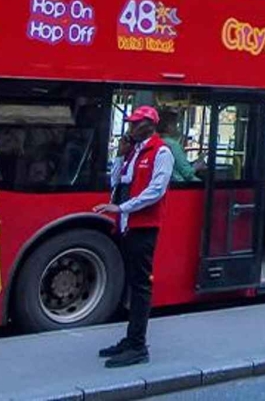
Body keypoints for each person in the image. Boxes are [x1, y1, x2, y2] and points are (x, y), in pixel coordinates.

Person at [94, 105, 173, 368]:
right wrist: (119, 156)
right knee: (132, 283)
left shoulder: (161, 152)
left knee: (141, 286)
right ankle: (131, 339)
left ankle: (138, 346)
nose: (130, 128)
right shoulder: (134, 151)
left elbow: (156, 191)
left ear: (149, 125)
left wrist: (123, 208)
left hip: (144, 227)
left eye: (135, 123)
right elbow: (118, 182)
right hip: (127, 226)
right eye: (130, 123)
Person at [157, 109, 198, 183]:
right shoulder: (173, 145)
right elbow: (187, 173)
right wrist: (197, 166)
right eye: (175, 124)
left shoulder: (156, 141)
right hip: (179, 185)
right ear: (169, 126)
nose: (178, 128)